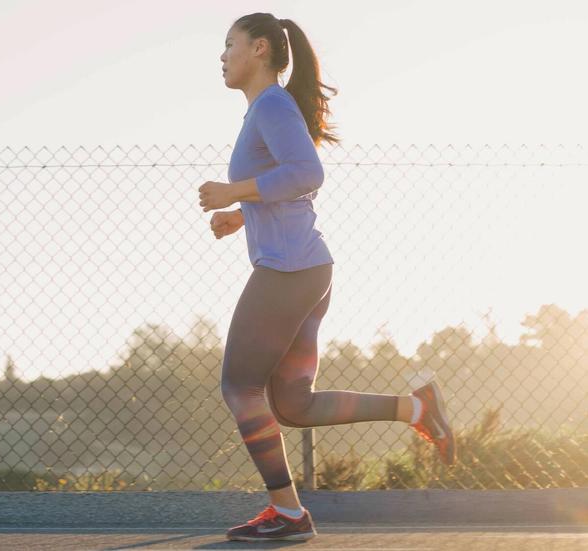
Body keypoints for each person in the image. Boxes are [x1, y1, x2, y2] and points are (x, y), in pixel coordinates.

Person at [197, 12, 456, 542]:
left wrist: (234, 192)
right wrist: (241, 215)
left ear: (261, 49)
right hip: (307, 270)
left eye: (230, 45)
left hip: (289, 272)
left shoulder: (270, 104)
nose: (222, 56)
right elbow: (290, 186)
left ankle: (289, 515)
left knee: (240, 386)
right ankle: (417, 408)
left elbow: (308, 173)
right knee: (292, 404)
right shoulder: (265, 110)